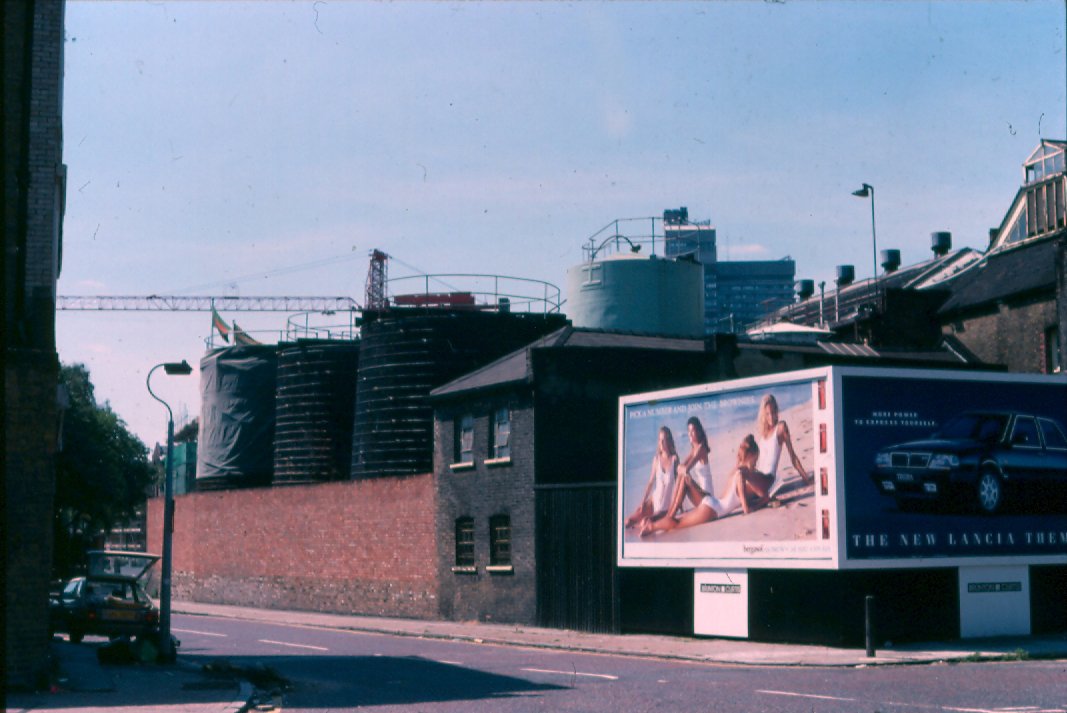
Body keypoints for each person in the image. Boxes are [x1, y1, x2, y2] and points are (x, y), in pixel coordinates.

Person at [640, 434, 765, 535]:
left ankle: (655, 521)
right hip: (713, 510)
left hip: (712, 503)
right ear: (752, 456)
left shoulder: (735, 471)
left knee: (677, 518)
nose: (756, 462)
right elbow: (746, 509)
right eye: (756, 459)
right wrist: (758, 505)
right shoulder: (741, 475)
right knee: (678, 523)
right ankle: (651, 526)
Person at [754, 393, 812, 493]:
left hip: (767, 482)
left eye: (773, 412)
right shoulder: (763, 434)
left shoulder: (781, 427)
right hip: (759, 478)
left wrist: (806, 479)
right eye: (767, 414)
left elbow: (792, 456)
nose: (771, 417)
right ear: (764, 415)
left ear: (777, 411)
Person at [624, 426, 678, 529]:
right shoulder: (656, 459)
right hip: (653, 501)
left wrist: (678, 505)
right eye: (659, 440)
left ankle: (638, 527)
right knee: (629, 521)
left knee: (645, 521)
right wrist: (643, 502)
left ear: (669, 441)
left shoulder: (674, 460)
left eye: (664, 440)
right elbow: (650, 482)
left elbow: (678, 483)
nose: (661, 443)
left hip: (663, 509)